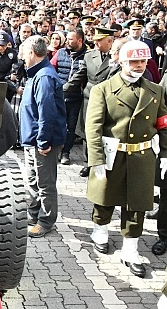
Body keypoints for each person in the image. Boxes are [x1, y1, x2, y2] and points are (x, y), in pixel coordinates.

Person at [85, 40, 167, 278]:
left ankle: (130, 249)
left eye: (143, 61)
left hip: (142, 155)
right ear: (121, 61)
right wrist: (96, 158)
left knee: (137, 204)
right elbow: (94, 127)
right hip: (114, 152)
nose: (139, 65)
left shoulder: (155, 90)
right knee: (105, 198)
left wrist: (164, 154)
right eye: (134, 61)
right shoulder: (104, 89)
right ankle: (100, 231)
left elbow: (163, 124)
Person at [18, 36, 67, 238]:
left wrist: (43, 141)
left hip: (42, 142)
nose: (22, 58)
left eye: (23, 53)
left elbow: (47, 112)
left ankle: (46, 221)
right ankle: (34, 214)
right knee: (33, 180)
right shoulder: (36, 74)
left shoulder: (44, 77)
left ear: (32, 53)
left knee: (44, 182)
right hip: (33, 141)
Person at [65, 27, 116, 177]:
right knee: (88, 132)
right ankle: (90, 163)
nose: (96, 44)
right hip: (90, 100)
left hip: (109, 100)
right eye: (95, 41)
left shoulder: (116, 56)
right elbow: (78, 77)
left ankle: (106, 161)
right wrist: (62, 91)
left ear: (110, 41)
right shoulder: (89, 56)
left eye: (99, 41)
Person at [51, 29, 87, 165]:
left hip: (76, 98)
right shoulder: (60, 53)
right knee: (56, 123)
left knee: (71, 127)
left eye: (70, 39)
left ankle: (66, 152)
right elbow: (51, 68)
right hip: (59, 96)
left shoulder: (87, 56)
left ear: (79, 40)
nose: (67, 41)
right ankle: (55, 149)